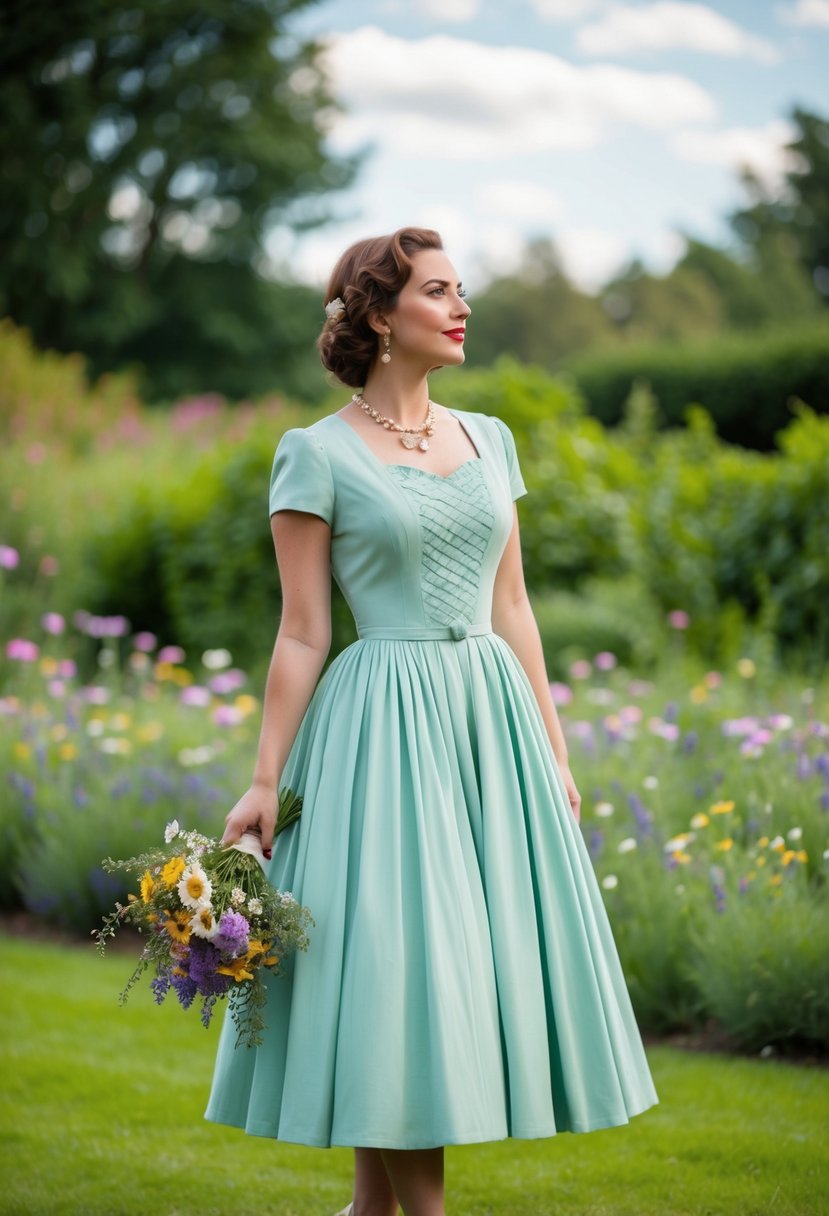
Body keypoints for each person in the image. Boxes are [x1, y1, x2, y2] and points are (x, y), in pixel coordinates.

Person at [206, 226, 658, 1216]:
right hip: (379, 738)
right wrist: (260, 777)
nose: (461, 307)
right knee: (403, 977)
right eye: (438, 291)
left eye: (462, 290)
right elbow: (300, 633)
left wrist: (553, 743)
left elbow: (513, 607)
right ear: (377, 314)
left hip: (489, 731)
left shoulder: (491, 438)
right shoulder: (313, 454)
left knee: (449, 974)